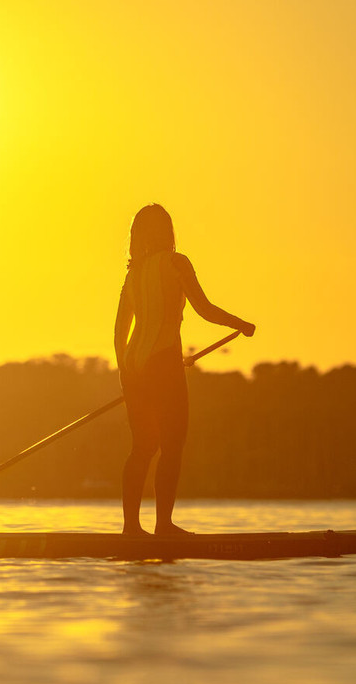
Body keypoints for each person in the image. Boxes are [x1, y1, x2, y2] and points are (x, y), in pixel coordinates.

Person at [114, 204, 254, 537]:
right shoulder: (177, 263)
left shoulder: (132, 274)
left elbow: (119, 335)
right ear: (168, 231)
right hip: (164, 364)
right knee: (172, 446)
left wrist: (127, 376)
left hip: (134, 367)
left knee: (142, 448)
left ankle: (131, 529)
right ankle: (163, 527)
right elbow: (204, 308)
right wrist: (241, 324)